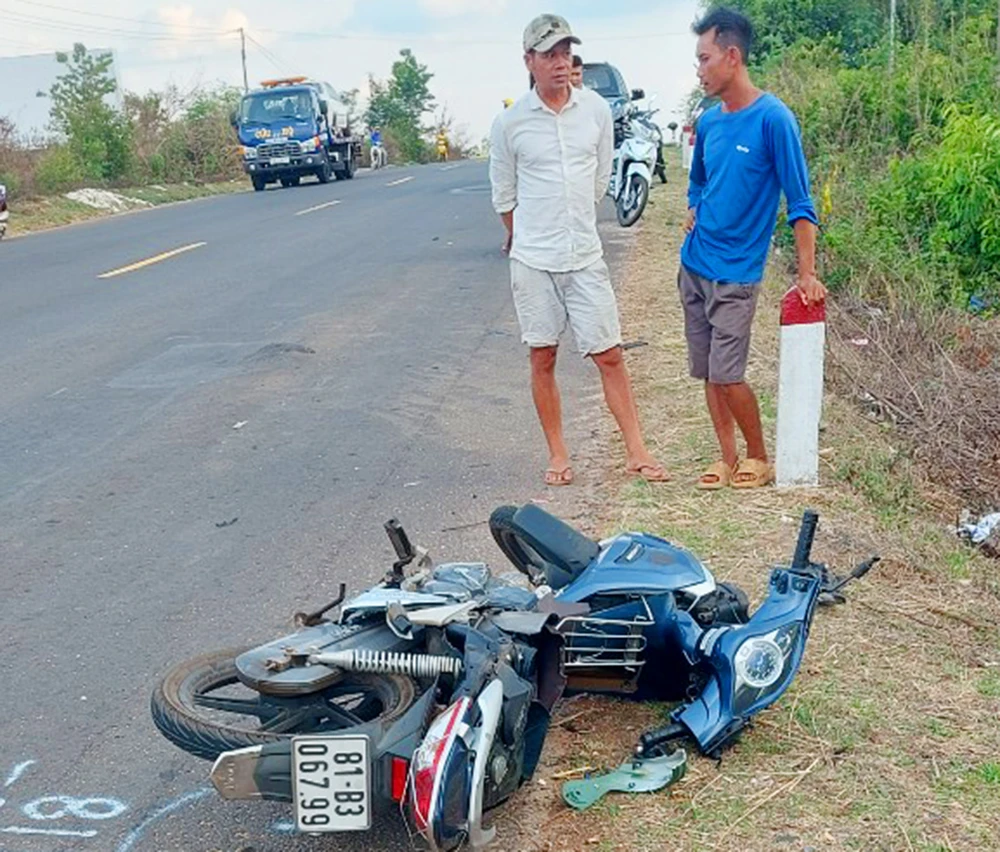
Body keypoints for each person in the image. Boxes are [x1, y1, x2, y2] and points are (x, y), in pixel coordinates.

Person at [490, 13, 668, 487]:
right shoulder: (509, 123)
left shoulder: (595, 111)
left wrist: (572, 225)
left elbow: (598, 179)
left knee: (610, 354)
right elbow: (504, 197)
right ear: (528, 61)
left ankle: (636, 451)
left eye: (565, 53)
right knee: (543, 356)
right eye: (549, 54)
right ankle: (558, 454)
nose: (559, 63)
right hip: (533, 262)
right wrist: (528, 236)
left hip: (585, 255)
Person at [680, 7, 826, 491]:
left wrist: (806, 273)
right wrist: (693, 208)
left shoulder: (774, 120)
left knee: (728, 374)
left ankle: (759, 456)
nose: (698, 70)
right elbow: (698, 180)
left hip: (738, 272)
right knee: (708, 370)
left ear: (732, 56)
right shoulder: (709, 123)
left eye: (704, 59)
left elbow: (800, 202)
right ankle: (727, 457)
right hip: (695, 264)